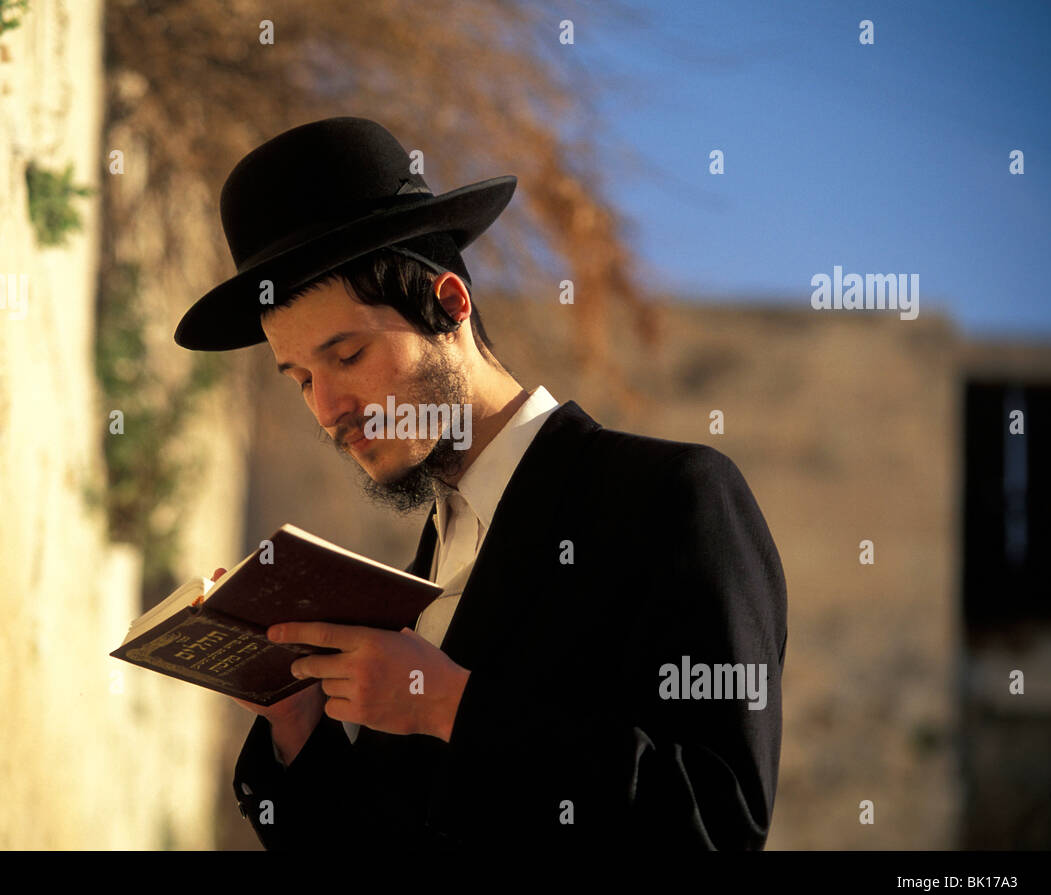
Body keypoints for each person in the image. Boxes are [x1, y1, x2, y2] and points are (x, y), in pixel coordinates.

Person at [175, 116, 787, 849]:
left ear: (449, 306)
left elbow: (719, 824)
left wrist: (452, 706)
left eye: (347, 356)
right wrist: (298, 723)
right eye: (301, 378)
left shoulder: (673, 499)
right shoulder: (408, 589)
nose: (327, 409)